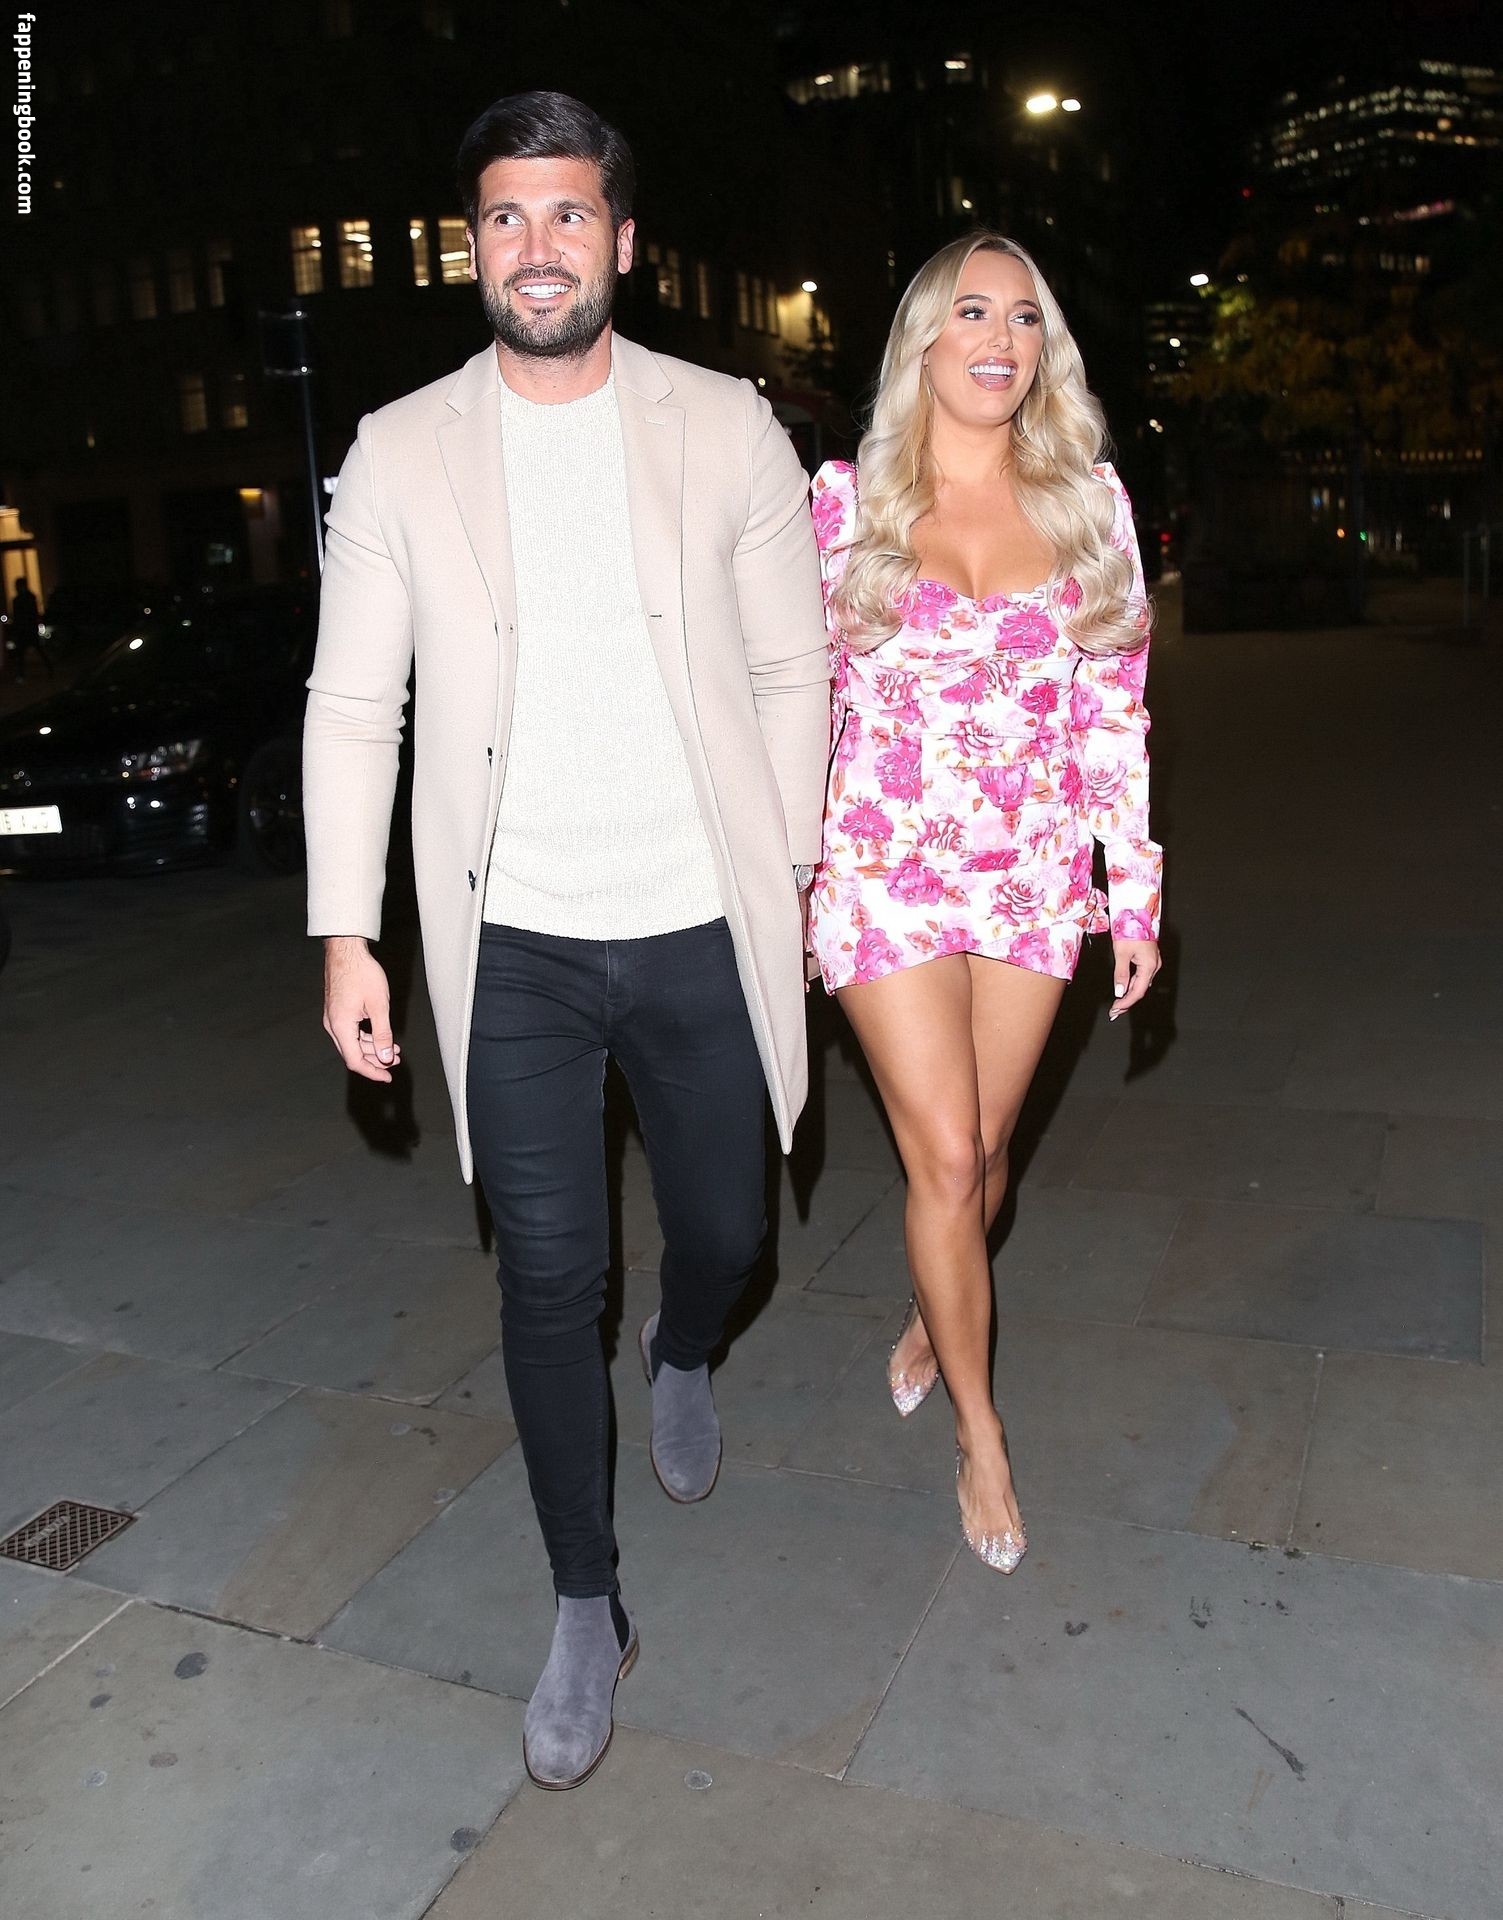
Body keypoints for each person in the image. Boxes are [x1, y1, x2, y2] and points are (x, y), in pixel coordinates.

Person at [302, 91, 828, 1789]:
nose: (537, 247)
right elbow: (353, 706)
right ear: (472, 246)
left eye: (568, 213)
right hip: (511, 943)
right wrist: (345, 932)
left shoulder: (722, 425)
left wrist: (789, 871)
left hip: (696, 919)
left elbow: (790, 668)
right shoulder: (399, 449)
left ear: (621, 238)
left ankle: (685, 1348)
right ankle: (585, 1603)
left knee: (727, 1226)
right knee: (544, 1277)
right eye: (505, 219)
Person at [807, 232, 1163, 1576]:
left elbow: (1115, 713)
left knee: (987, 1149)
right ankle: (980, 1431)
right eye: (970, 311)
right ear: (922, 340)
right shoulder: (840, 504)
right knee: (947, 1158)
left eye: (1022, 317)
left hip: (1030, 869)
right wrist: (781, 877)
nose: (998, 338)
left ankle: (931, 1305)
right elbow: (788, 696)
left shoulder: (1087, 506)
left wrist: (1132, 892)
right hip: (879, 867)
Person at [6, 580, 50, 682]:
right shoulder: (24, 598)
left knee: (33, 651)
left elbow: (29, 614)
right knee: (24, 653)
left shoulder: (25, 598)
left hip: (28, 629)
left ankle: (22, 674)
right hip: (25, 629)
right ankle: (21, 674)